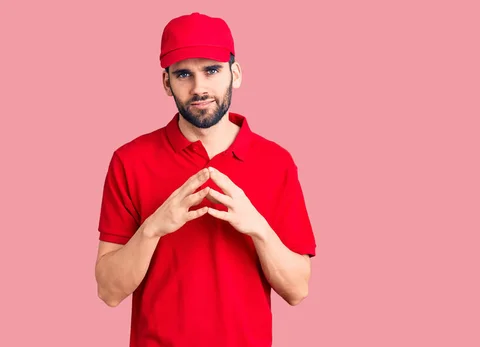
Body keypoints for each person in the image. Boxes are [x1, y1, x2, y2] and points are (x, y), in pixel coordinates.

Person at [94, 12, 317, 347]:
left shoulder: (277, 162)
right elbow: (109, 292)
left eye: (211, 70)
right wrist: (153, 227)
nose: (199, 87)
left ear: (235, 74)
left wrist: (257, 225)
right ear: (167, 83)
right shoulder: (129, 160)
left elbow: (298, 291)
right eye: (184, 74)